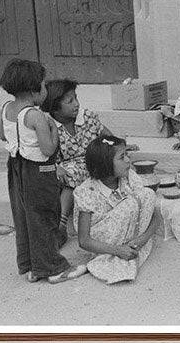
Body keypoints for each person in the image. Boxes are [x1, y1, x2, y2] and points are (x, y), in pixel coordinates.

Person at [0, 58, 69, 283]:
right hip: (39, 170)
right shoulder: (36, 115)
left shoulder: (7, 108)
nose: (46, 88)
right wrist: (54, 129)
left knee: (24, 216)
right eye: (44, 84)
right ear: (34, 89)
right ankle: (52, 268)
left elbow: (2, 135)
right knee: (44, 216)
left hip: (16, 166)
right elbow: (48, 150)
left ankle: (31, 266)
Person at [65, 135, 162, 284]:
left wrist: (142, 239)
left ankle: (130, 246)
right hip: (101, 241)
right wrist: (118, 251)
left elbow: (155, 213)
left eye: (127, 155)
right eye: (122, 157)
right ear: (105, 164)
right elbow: (84, 241)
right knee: (133, 204)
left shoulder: (129, 177)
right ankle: (114, 253)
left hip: (131, 237)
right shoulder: (87, 191)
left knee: (148, 195)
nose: (128, 160)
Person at [42, 78, 131, 232]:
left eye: (76, 98)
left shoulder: (87, 117)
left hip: (93, 159)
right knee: (70, 174)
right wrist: (56, 167)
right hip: (66, 170)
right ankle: (61, 224)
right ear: (55, 108)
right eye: (70, 101)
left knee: (118, 163)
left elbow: (106, 136)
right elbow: (44, 153)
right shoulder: (49, 126)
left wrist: (120, 146)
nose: (76, 103)